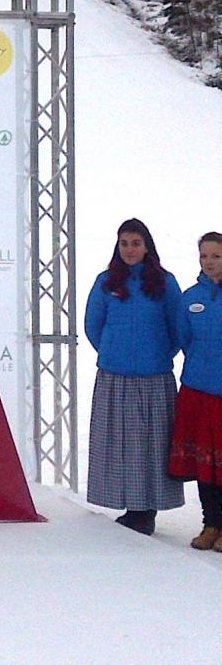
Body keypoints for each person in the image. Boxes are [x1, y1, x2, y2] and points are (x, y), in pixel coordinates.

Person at [84, 219, 183, 535]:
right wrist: (114, 351)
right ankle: (129, 504)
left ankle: (146, 509)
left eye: (136, 243)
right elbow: (93, 324)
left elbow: (178, 328)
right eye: (124, 243)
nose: (130, 250)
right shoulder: (106, 281)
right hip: (115, 376)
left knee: (151, 446)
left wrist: (157, 354)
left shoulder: (165, 283)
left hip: (154, 377)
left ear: (147, 246)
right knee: (121, 445)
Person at [169, 231, 222, 551]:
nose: (209, 262)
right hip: (197, 391)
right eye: (204, 256)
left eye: (216, 256)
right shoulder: (190, 298)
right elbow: (183, 338)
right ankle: (211, 524)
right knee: (206, 464)